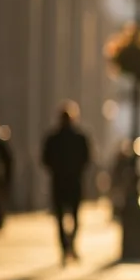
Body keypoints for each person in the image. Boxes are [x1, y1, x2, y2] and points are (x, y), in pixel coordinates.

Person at [42, 103, 91, 264]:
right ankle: (69, 246)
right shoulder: (79, 137)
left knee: (61, 217)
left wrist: (57, 169)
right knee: (74, 217)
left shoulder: (53, 138)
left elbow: (45, 159)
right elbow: (87, 159)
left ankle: (66, 247)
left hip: (60, 182)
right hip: (73, 182)